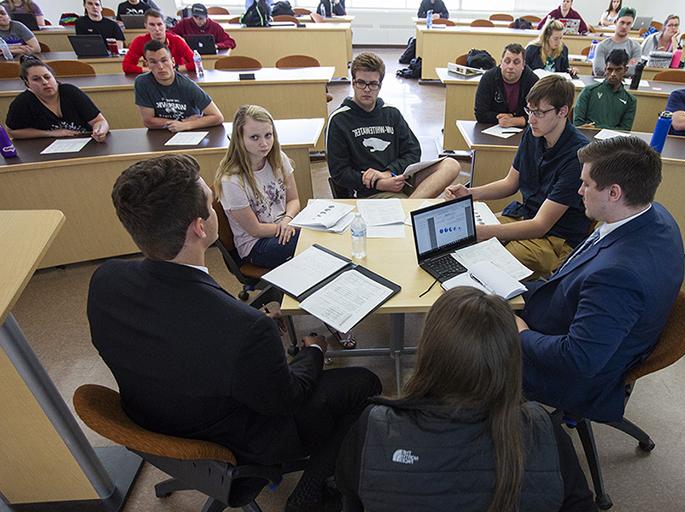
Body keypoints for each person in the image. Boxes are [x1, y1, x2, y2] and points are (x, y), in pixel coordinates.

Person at [89, 153, 382, 512]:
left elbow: (179, 327)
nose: (217, 211)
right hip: (236, 443)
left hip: (151, 422)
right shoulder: (246, 330)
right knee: (364, 383)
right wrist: (314, 350)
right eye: (212, 207)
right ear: (199, 228)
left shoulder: (105, 281)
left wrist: (243, 323)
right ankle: (312, 490)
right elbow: (287, 399)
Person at [336, 287, 597, 512]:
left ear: (428, 353)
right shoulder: (542, 430)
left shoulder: (375, 426)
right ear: (510, 360)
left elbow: (352, 497)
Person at [516, 136, 684, 423]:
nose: (579, 190)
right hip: (574, 320)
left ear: (614, 192)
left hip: (574, 379)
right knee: (488, 300)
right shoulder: (655, 215)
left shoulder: (619, 275)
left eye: (586, 184)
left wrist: (520, 335)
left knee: (467, 349)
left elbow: (577, 360)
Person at [447, 75, 591, 279]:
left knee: (487, 261)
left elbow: (541, 225)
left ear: (563, 111)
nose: (531, 119)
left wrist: (484, 232)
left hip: (555, 238)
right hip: (526, 217)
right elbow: (510, 183)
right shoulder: (532, 135)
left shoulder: (576, 156)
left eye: (539, 112)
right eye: (529, 110)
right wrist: (469, 193)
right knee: (461, 241)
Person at [327, 52, 459, 199]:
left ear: (380, 85)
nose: (367, 89)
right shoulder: (339, 120)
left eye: (373, 84)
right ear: (353, 83)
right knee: (399, 200)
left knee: (451, 165)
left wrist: (389, 173)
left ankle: (410, 206)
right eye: (361, 83)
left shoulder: (391, 113)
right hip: (370, 191)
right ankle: (411, 208)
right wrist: (380, 183)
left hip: (399, 179)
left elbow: (413, 152)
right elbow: (340, 173)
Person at [214, 105, 299, 268]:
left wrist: (287, 221)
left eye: (268, 135)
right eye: (254, 137)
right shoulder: (232, 180)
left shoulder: (278, 158)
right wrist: (286, 227)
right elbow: (255, 230)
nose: (264, 143)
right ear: (239, 138)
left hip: (285, 226)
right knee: (312, 243)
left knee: (322, 236)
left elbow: (294, 199)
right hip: (256, 244)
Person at [6, 55, 109, 141]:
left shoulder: (71, 92)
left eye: (47, 77)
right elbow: (12, 132)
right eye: (36, 79)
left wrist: (100, 131)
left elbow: (99, 121)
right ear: (27, 83)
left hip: (86, 144)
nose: (45, 82)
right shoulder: (23, 102)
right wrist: (49, 133)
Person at [134, 40, 224, 132]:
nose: (160, 66)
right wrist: (181, 122)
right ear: (147, 64)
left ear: (173, 61)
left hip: (190, 132)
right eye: (153, 62)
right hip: (160, 134)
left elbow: (217, 117)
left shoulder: (187, 86)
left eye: (164, 60)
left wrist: (187, 125)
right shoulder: (142, 83)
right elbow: (149, 121)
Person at [475, 43, 539, 128]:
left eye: (516, 62)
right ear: (501, 62)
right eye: (507, 61)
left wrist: (515, 121)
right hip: (492, 129)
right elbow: (480, 113)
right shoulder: (488, 78)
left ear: (523, 65)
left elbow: (539, 114)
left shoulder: (533, 81)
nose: (511, 66)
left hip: (524, 131)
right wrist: (502, 118)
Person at [574, 49, 636, 130]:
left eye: (618, 69)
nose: (613, 74)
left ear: (625, 70)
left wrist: (596, 128)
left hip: (613, 141)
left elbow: (625, 130)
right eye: (610, 69)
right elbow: (578, 124)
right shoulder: (589, 91)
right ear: (605, 69)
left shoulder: (630, 101)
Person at [122, 9, 194, 74]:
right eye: (152, 25)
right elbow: (126, 66)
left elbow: (196, 63)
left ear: (165, 25)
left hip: (176, 76)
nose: (157, 29)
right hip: (153, 78)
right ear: (146, 26)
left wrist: (174, 69)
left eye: (159, 24)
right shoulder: (140, 41)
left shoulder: (177, 40)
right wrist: (150, 70)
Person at [592, 6, 640, 77]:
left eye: (628, 24)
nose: (624, 26)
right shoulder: (602, 45)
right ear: (616, 22)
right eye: (622, 22)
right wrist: (623, 70)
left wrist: (610, 70)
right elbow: (599, 71)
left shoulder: (635, 47)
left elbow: (634, 70)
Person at [170, 3, 236, 50]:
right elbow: (170, 33)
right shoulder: (184, 23)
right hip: (189, 55)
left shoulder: (215, 26)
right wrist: (180, 39)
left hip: (210, 57)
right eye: (195, 17)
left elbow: (231, 42)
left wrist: (216, 46)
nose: (198, 21)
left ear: (207, 17)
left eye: (201, 18)